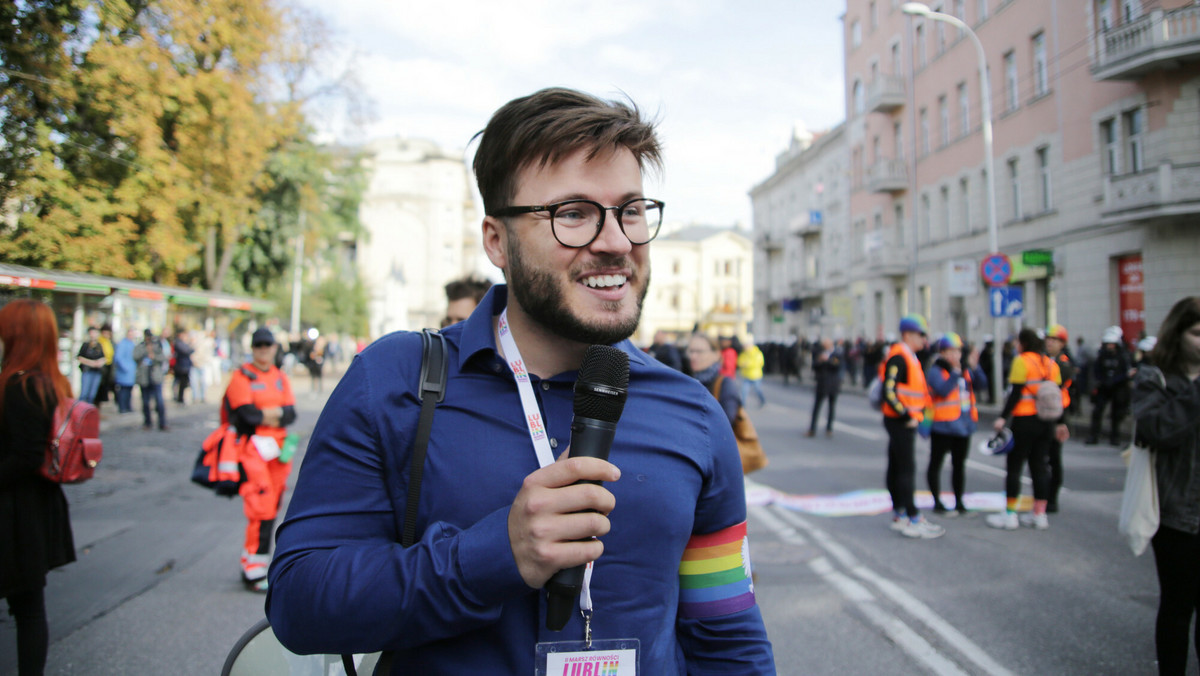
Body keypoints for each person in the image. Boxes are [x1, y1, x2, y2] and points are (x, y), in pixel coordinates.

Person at [267, 87, 774, 673]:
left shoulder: (694, 415)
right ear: (496, 241)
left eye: (631, 210)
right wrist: (491, 558)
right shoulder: (396, 380)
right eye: (573, 214)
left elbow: (727, 633)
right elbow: (300, 603)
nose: (615, 242)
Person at [0, 299, 77, 675]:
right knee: (29, 605)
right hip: (35, 507)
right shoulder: (50, 382)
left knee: (27, 607)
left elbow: (24, 455)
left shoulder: (21, 386)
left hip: (16, 511)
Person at [1130, 296, 1200, 676]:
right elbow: (1156, 429)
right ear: (1179, 333)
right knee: (1177, 608)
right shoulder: (1154, 377)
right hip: (1175, 513)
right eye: (1197, 333)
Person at [217, 327, 297, 591]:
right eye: (258, 345)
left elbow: (290, 414)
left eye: (268, 345)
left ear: (275, 347)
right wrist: (273, 414)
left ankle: (257, 564)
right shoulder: (242, 377)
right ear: (252, 348)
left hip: (279, 452)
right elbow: (247, 416)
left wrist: (266, 413)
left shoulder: (279, 377)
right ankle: (253, 571)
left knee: (272, 510)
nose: (264, 349)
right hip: (253, 450)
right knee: (260, 510)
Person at [987, 328, 1065, 531]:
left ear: (1023, 343)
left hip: (1024, 420)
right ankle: (1039, 515)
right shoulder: (1050, 364)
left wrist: (1003, 418)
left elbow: (1015, 393)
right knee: (1039, 467)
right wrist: (1059, 422)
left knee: (1014, 467)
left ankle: (1010, 514)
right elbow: (1058, 394)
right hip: (1047, 421)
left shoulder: (1021, 361)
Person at [880, 314, 943, 539]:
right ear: (907, 335)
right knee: (906, 469)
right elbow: (889, 391)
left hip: (904, 420)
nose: (924, 339)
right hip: (900, 420)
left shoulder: (910, 356)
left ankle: (901, 514)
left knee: (897, 466)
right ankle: (912, 517)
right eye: (921, 334)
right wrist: (905, 414)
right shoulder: (900, 356)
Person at [924, 333, 978, 517]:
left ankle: (959, 503)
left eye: (957, 351)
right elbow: (943, 390)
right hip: (942, 426)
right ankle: (937, 502)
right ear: (942, 353)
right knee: (936, 463)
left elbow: (981, 384)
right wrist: (955, 373)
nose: (954, 356)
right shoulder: (936, 370)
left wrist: (974, 367)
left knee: (959, 465)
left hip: (963, 426)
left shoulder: (965, 370)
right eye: (950, 352)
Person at [1044, 324, 1075, 513]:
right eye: (1048, 339)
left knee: (1054, 459)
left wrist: (1061, 423)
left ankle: (1052, 498)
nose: (1049, 342)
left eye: (1054, 340)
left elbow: (1051, 385)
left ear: (1062, 343)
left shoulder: (1064, 364)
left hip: (1058, 417)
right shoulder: (1045, 360)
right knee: (1041, 459)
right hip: (1044, 416)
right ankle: (1043, 495)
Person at [1088, 326, 1134, 445]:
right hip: (1104, 387)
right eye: (1108, 344)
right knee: (1097, 411)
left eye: (1112, 344)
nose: (1110, 346)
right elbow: (1097, 370)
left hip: (1118, 387)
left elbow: (1126, 372)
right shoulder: (1102, 355)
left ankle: (1115, 437)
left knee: (1116, 414)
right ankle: (1094, 436)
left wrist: (1116, 380)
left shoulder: (1123, 356)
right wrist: (1102, 381)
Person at [687, 333, 741, 428]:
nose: (693, 356)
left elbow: (725, 425)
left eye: (699, 351)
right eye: (691, 351)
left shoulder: (725, 384)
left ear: (716, 354)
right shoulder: (689, 381)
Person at [134, 329, 168, 431]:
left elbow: (163, 358)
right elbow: (135, 357)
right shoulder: (140, 346)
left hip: (155, 377)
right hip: (144, 377)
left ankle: (162, 422)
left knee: (159, 401)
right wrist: (146, 351)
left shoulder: (157, 346)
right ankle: (147, 422)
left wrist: (154, 355)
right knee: (145, 402)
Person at [807, 338, 843, 437]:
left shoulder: (836, 353)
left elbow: (837, 366)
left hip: (832, 384)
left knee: (831, 407)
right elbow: (814, 366)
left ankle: (829, 428)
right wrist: (820, 360)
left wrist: (827, 360)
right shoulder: (820, 353)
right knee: (816, 407)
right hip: (822, 383)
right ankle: (812, 429)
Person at [76, 326, 105, 404]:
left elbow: (103, 357)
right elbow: (79, 357)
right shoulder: (86, 345)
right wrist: (92, 363)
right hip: (87, 370)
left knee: (92, 394)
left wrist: (99, 363)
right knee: (84, 393)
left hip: (97, 371)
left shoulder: (99, 345)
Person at [113, 328, 138, 414]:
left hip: (131, 371)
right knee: (123, 390)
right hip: (124, 371)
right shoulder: (122, 344)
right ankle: (122, 407)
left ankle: (128, 406)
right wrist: (125, 367)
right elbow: (118, 358)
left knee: (129, 390)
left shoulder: (132, 344)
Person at [738, 339, 767, 408]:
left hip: (755, 376)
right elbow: (739, 361)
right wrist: (742, 364)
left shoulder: (757, 353)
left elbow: (759, 363)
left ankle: (762, 400)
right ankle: (742, 404)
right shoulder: (744, 354)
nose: (745, 347)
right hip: (746, 375)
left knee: (758, 390)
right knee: (744, 390)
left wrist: (747, 365)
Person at [172, 329, 194, 404]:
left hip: (185, 366)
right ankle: (178, 397)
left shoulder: (184, 343)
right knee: (178, 382)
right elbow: (187, 351)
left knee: (183, 383)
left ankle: (180, 397)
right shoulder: (178, 343)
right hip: (181, 366)